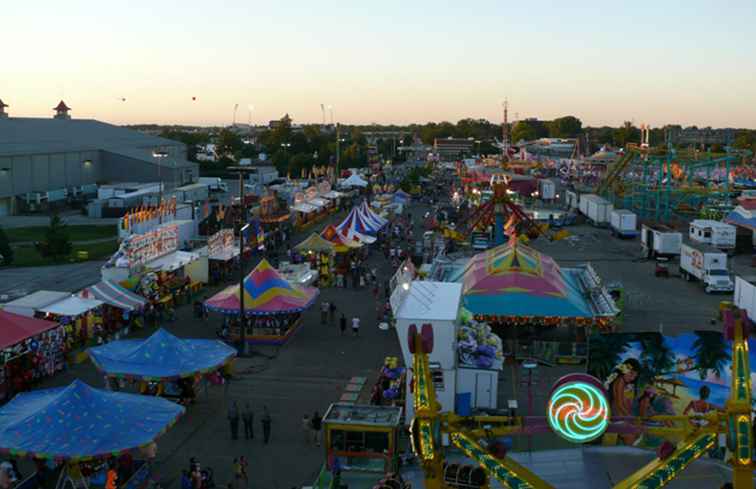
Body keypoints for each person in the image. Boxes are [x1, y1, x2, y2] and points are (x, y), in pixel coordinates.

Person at [605, 358, 641, 445]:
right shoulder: (620, 381)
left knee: (634, 435)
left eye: (635, 376)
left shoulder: (622, 382)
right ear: (624, 370)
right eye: (631, 374)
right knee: (631, 436)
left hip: (620, 414)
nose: (632, 378)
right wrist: (631, 418)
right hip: (617, 415)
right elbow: (619, 403)